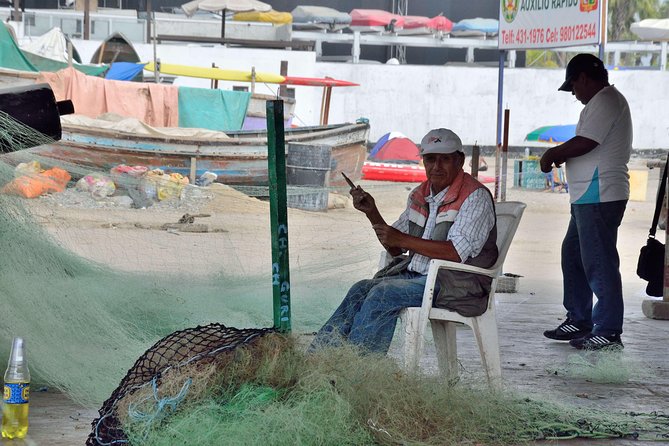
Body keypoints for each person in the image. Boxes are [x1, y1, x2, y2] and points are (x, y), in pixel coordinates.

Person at [309, 128, 498, 354]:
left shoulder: (474, 196)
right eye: (430, 159)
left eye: (444, 159)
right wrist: (372, 213)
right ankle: (319, 359)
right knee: (360, 289)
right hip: (418, 276)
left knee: (383, 294)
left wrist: (402, 239)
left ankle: (360, 370)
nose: (437, 166)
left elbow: (454, 253)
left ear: (459, 161)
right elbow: (396, 246)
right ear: (423, 162)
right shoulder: (421, 194)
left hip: (457, 284)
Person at [540, 53, 632, 350]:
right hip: (586, 197)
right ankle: (579, 318)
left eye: (574, 88)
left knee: (598, 262)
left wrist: (553, 154)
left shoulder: (606, 100)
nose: (574, 95)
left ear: (582, 78)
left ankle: (607, 330)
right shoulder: (598, 103)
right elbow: (587, 142)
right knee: (574, 255)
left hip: (600, 194)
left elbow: (587, 142)